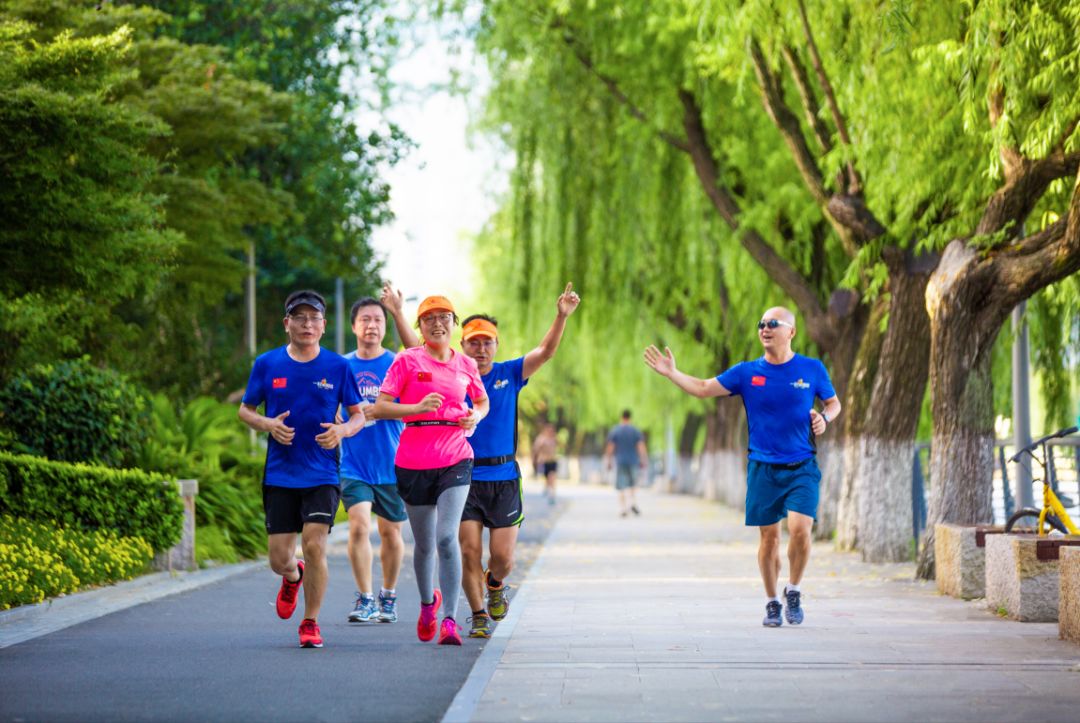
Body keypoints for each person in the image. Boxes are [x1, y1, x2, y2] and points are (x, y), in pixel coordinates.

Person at [643, 306, 841, 627]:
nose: (765, 328)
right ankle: (772, 602)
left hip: (802, 465)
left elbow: (833, 403)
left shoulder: (812, 369)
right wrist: (672, 373)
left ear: (790, 331)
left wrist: (824, 418)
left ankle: (793, 590)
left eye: (773, 324)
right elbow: (705, 388)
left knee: (801, 531)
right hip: (763, 467)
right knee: (769, 540)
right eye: (761, 323)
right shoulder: (747, 373)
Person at [239, 290, 366, 648]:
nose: (307, 324)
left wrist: (341, 430)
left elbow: (358, 415)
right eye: (300, 317)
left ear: (323, 326)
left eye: (314, 318)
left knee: (314, 544)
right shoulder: (267, 364)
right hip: (280, 472)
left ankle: (310, 622)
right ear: (287, 324)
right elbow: (245, 410)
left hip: (323, 472)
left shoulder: (338, 367)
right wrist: (267, 424)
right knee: (279, 559)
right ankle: (293, 577)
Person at [457, 283, 581, 639]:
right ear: (462, 346)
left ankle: (494, 584)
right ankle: (478, 613)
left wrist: (561, 316)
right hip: (463, 476)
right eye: (473, 342)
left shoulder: (509, 374)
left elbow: (545, 351)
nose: (480, 349)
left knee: (504, 559)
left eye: (487, 342)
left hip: (505, 477)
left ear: (496, 346)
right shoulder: (454, 377)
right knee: (469, 551)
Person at [372, 295, 489, 646]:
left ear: (454, 323)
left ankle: (450, 620)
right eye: (429, 319)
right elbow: (380, 407)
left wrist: (475, 416)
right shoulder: (407, 361)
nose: (437, 323)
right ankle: (428, 604)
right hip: (413, 460)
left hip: (455, 455)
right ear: (420, 327)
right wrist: (418, 406)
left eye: (444, 317)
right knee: (424, 545)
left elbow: (481, 400)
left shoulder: (466, 364)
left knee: (445, 537)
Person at [338, 283, 420, 624]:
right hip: (353, 462)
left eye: (378, 320)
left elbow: (414, 400)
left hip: (392, 462)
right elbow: (329, 407)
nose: (371, 325)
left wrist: (379, 409)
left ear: (385, 327)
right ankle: (365, 597)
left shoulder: (398, 363)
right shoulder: (340, 366)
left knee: (391, 532)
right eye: (365, 320)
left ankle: (388, 594)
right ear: (354, 326)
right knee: (358, 526)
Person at [604, 410, 648, 517]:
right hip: (633, 461)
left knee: (621, 485)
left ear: (621, 417)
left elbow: (610, 447)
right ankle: (632, 502)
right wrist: (643, 459)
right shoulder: (635, 431)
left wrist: (608, 460)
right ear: (630, 418)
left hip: (620, 461)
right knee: (633, 484)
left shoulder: (616, 431)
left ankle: (623, 508)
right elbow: (641, 446)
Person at [532, 423, 560, 504]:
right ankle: (547, 487)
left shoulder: (554, 438)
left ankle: (552, 495)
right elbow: (536, 449)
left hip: (553, 461)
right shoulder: (541, 438)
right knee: (548, 478)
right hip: (545, 462)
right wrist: (535, 460)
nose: (551, 431)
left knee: (552, 478)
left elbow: (558, 446)